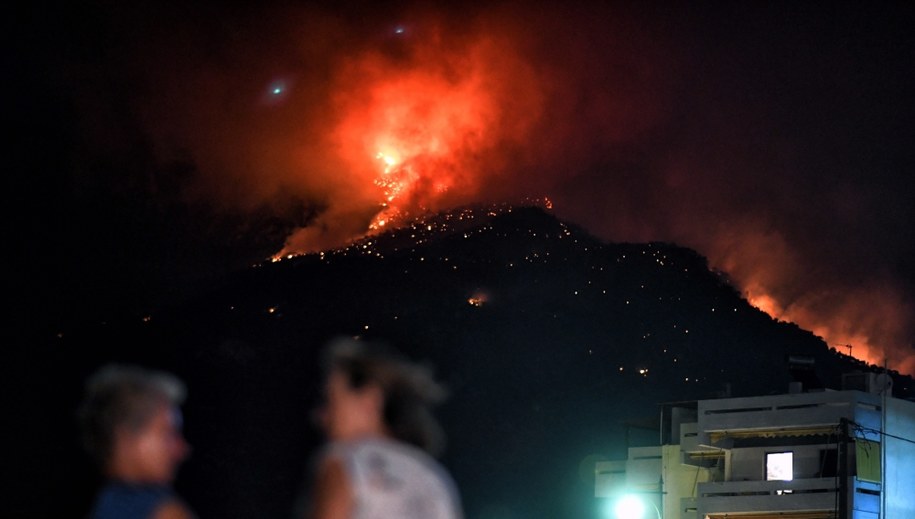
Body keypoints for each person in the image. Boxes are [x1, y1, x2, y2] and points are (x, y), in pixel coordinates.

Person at [303, 337, 463, 519]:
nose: (321, 417)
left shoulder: (345, 462)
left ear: (370, 400)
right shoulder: (435, 479)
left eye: (331, 402)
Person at [78, 364, 196, 519]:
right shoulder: (163, 512)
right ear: (126, 438)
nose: (183, 449)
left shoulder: (105, 504)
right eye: (169, 434)